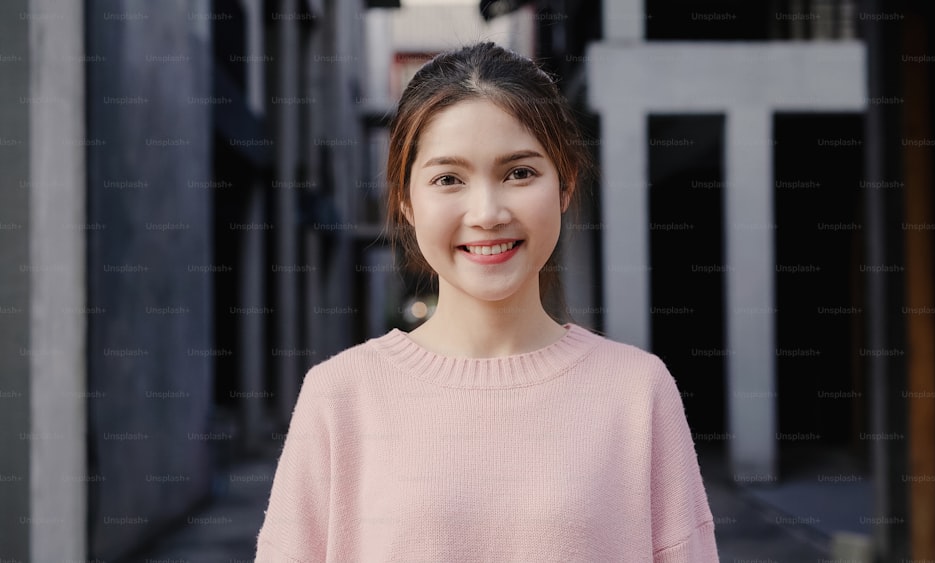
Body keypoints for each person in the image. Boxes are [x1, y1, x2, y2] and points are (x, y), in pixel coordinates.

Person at [255, 41, 718, 562]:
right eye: (448, 179)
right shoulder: (340, 398)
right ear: (407, 200)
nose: (487, 212)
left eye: (519, 172)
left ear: (564, 184)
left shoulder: (638, 392)